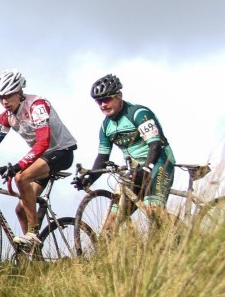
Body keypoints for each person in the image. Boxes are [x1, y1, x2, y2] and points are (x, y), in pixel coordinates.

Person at [0, 69, 78, 247]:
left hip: (61, 152)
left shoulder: (37, 106)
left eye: (8, 96)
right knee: (20, 210)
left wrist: (19, 166)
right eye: (0, 97)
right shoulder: (8, 116)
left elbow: (43, 142)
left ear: (19, 92)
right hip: (42, 158)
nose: (4, 102)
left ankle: (32, 233)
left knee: (21, 178)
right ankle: (33, 254)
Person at [75, 74, 176, 224]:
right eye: (99, 101)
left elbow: (155, 144)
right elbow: (102, 158)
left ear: (119, 96)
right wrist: (89, 179)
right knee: (111, 222)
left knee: (153, 209)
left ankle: (190, 234)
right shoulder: (105, 126)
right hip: (136, 169)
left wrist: (146, 169)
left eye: (107, 99)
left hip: (160, 162)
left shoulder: (138, 113)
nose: (103, 105)